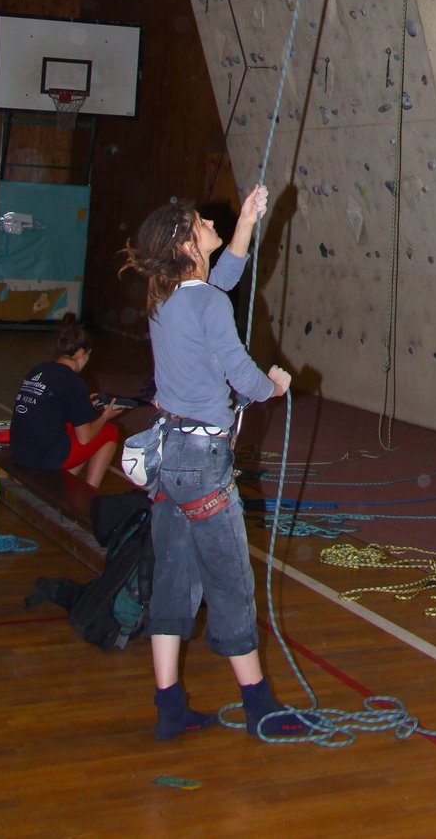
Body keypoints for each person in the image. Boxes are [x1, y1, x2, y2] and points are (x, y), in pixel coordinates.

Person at [120, 186, 306, 743]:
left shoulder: (167, 296)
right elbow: (242, 376)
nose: (209, 221)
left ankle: (168, 707)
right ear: (184, 243)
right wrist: (271, 386)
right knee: (229, 582)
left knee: (174, 581)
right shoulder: (205, 302)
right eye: (201, 222)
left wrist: (248, 221)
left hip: (168, 463)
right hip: (203, 464)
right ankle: (260, 708)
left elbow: (218, 280)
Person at [10, 312, 125, 486]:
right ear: (80, 353)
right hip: (44, 457)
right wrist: (105, 416)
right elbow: (85, 438)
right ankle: (89, 494)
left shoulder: (39, 369)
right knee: (109, 432)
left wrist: (86, 405)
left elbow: (51, 406)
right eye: (87, 355)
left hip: (20, 450)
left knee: (76, 427)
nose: (87, 360)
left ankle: (64, 488)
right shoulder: (72, 380)